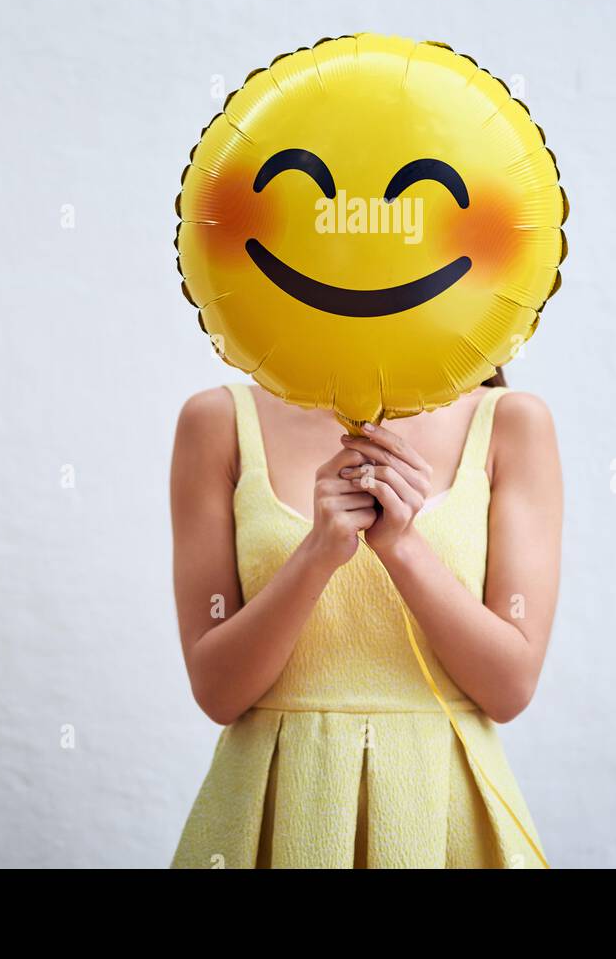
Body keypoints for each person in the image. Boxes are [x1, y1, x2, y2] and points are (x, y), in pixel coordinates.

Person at [168, 369, 563, 869]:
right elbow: (217, 690)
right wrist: (316, 552)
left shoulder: (511, 420)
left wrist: (402, 546)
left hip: (442, 815)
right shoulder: (216, 420)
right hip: (270, 809)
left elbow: (508, 688)